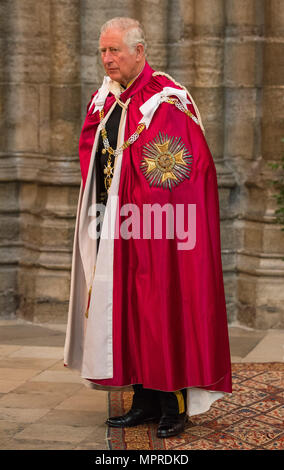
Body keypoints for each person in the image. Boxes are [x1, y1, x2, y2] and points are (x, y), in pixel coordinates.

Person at [64, 17, 232, 439]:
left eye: (115, 50)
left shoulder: (167, 100)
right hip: (113, 225)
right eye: (102, 51)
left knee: (160, 312)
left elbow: (183, 170)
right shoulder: (105, 99)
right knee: (123, 312)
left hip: (157, 231)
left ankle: (172, 404)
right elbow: (95, 155)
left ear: (140, 51)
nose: (107, 59)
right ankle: (141, 399)